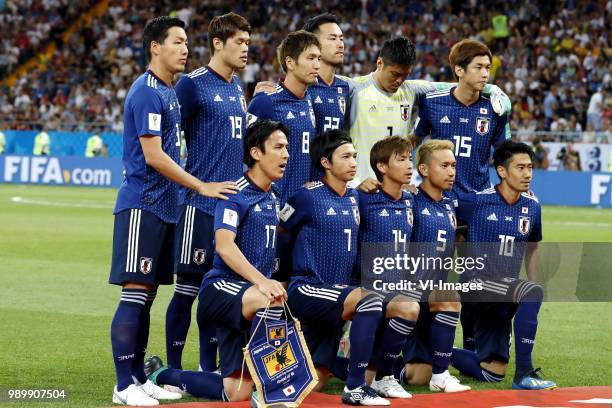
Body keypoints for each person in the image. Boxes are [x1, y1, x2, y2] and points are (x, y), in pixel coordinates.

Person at [108, 16, 236, 406]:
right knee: (134, 293)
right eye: (177, 42)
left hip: (165, 208)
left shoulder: (168, 93)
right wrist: (201, 186)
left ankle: (138, 378)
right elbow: (154, 155)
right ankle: (122, 384)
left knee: (146, 295)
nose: (185, 48)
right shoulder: (147, 91)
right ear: (155, 47)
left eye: (186, 42)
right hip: (142, 205)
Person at [146, 120, 290, 402]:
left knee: (234, 393)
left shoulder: (273, 195)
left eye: (287, 147)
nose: (286, 154)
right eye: (278, 147)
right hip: (221, 289)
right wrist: (263, 280)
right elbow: (225, 247)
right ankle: (275, 385)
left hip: (248, 295)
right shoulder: (234, 192)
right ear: (256, 153)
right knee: (272, 301)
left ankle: (160, 373)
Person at [165, 12, 251, 377]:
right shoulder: (193, 85)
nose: (246, 48)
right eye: (240, 42)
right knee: (187, 289)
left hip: (231, 209)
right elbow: (167, 136)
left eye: (248, 42)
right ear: (218, 43)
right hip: (199, 206)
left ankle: (208, 366)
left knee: (220, 291)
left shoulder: (236, 87)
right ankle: (171, 370)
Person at [281, 129, 390, 406]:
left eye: (355, 156)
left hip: (338, 294)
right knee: (370, 301)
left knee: (312, 384)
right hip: (308, 288)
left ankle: (386, 373)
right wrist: (278, 278)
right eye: (345, 156)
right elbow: (280, 231)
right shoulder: (306, 196)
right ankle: (356, 387)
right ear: (325, 163)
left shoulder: (354, 197)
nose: (353, 162)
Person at [451, 140, 557, 390]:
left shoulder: (532, 206)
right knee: (529, 293)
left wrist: (531, 283)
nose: (527, 174)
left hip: (504, 292)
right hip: (475, 285)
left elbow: (533, 247)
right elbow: (447, 224)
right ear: (501, 171)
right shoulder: (475, 201)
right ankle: (524, 373)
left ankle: (435, 348)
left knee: (492, 374)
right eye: (520, 167)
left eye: (530, 167)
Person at [397, 140, 471, 393]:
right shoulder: (408, 200)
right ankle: (439, 373)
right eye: (444, 165)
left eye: (453, 165)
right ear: (424, 170)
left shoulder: (451, 204)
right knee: (449, 296)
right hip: (407, 296)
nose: (452, 171)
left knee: (418, 377)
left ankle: (436, 371)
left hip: (431, 302)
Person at [357, 136, 418, 399]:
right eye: (401, 159)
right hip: (368, 286)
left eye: (410, 159)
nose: (409, 165)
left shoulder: (410, 200)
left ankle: (385, 375)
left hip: (397, 284)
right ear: (381, 167)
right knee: (409, 307)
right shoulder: (363, 197)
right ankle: (385, 375)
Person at [412, 39, 509, 197]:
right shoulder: (431, 102)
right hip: (439, 200)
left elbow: (505, 155)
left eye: (487, 68)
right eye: (478, 67)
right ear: (459, 70)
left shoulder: (496, 108)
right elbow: (413, 140)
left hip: (479, 199)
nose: (485, 74)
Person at [247, 30, 320, 206]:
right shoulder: (266, 100)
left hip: (300, 209)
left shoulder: (308, 99)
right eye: (310, 58)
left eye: (318, 58)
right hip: (272, 208)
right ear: (290, 62)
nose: (317, 64)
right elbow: (244, 154)